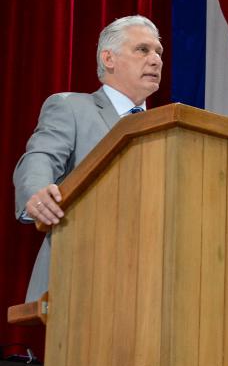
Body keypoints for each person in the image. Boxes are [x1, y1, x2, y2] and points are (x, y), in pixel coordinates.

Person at [14, 15, 163, 302]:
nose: (155, 60)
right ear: (109, 58)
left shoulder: (167, 127)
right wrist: (36, 192)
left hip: (151, 280)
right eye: (143, 50)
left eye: (158, 52)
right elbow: (40, 156)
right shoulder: (72, 107)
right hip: (82, 273)